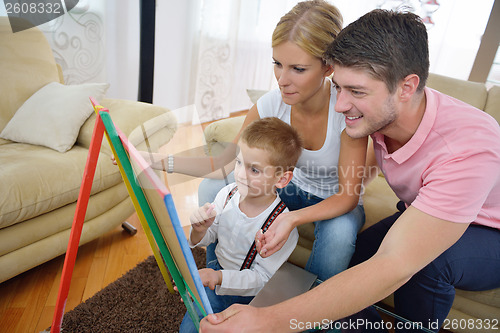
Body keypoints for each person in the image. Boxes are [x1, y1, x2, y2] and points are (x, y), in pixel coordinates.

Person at [199, 9, 500, 333]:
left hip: (488, 232)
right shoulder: (379, 114)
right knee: (352, 274)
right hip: (427, 209)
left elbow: (394, 264)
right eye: (339, 87)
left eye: (355, 91)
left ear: (406, 87)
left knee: (424, 265)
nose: (340, 105)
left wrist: (268, 321)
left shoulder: (470, 146)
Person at [195, 0, 368, 283]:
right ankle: (220, 277)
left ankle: (308, 313)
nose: (281, 79)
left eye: (297, 69)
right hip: (286, 185)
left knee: (339, 235)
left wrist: (290, 219)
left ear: (328, 67)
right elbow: (227, 161)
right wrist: (151, 160)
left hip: (332, 200)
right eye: (277, 64)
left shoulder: (346, 112)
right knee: (212, 185)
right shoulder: (272, 104)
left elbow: (348, 197)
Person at [179, 117, 302, 332]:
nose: (240, 175)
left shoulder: (281, 226)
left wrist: (217, 277)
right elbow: (208, 238)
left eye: (254, 170)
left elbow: (261, 279)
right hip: (217, 274)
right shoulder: (227, 194)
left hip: (248, 296)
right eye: (238, 163)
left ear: (281, 179)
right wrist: (200, 230)